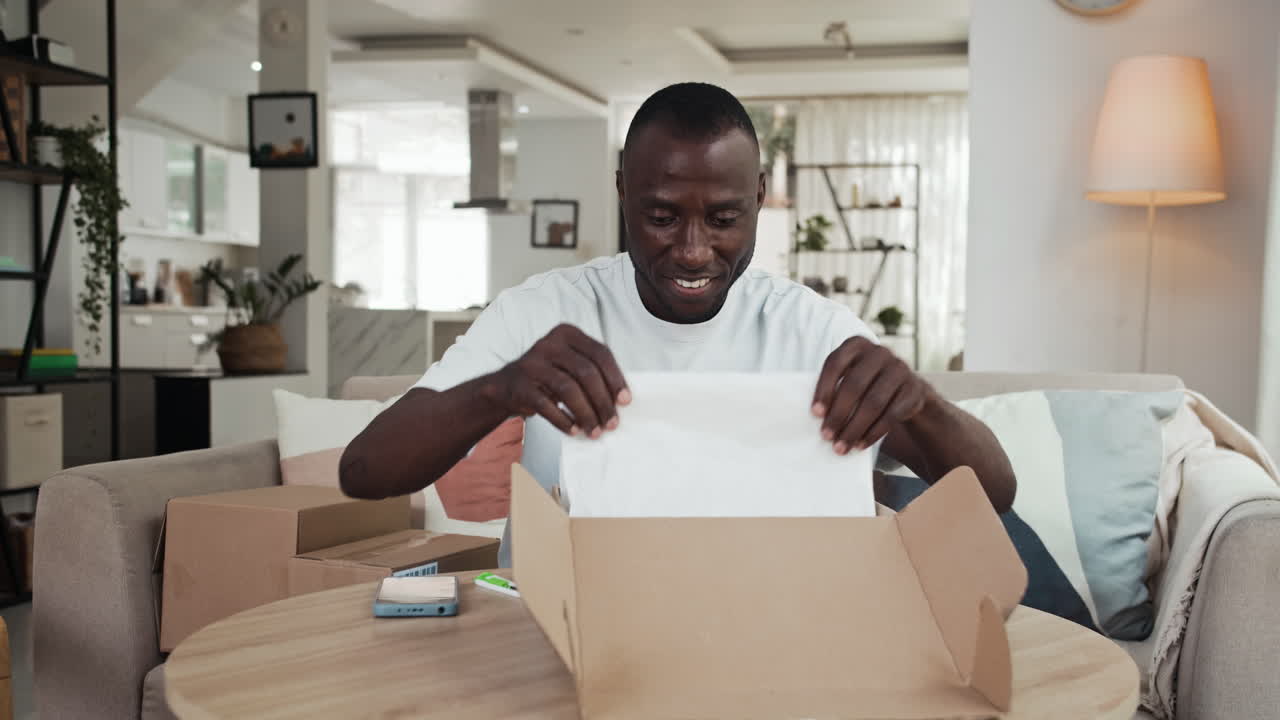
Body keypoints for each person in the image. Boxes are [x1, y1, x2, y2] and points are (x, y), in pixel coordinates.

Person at [340, 82, 1015, 562]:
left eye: (724, 219)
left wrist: (920, 402)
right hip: (562, 633)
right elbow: (365, 471)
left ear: (756, 201)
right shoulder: (543, 312)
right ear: (623, 194)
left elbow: (997, 494)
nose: (693, 250)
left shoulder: (814, 330)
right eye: (662, 216)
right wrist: (502, 389)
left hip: (772, 636)